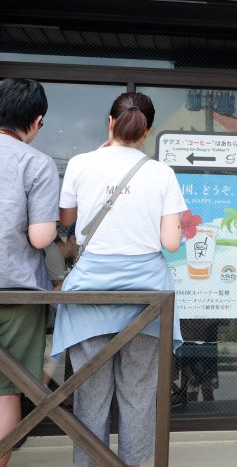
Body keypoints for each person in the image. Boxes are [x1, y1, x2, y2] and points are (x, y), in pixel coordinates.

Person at [52, 92, 186, 467]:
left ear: (109, 123)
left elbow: (66, 221)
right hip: (147, 297)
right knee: (139, 394)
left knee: (89, 395)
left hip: (90, 293)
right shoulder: (162, 173)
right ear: (148, 131)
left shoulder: (80, 164)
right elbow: (171, 242)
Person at [0, 78, 59, 467]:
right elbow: (40, 238)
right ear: (36, 121)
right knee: (8, 391)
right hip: (16, 292)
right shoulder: (36, 163)